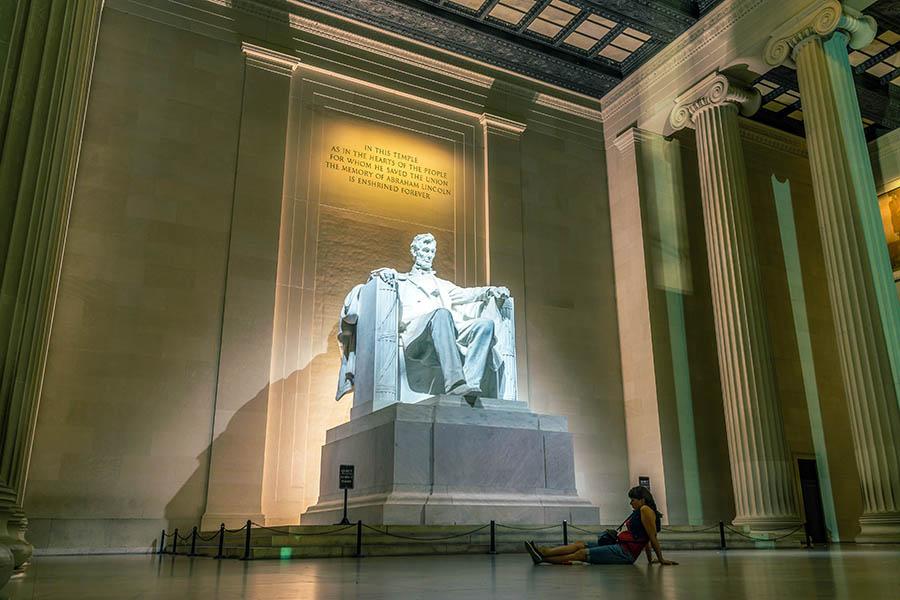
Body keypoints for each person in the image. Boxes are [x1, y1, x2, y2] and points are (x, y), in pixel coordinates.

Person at [336, 232, 512, 400]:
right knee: (442, 314)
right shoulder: (400, 279)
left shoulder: (442, 285)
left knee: (485, 325)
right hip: (416, 334)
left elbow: (467, 294)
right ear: (414, 252)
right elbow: (372, 283)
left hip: (447, 329)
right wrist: (384, 273)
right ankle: (455, 383)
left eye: (432, 252)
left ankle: (471, 383)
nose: (429, 255)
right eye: (425, 251)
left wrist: (489, 291)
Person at [524, 486, 678, 566]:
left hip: (625, 553)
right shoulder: (640, 510)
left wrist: (661, 559)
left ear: (642, 500)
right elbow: (646, 539)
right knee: (579, 544)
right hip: (620, 545)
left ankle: (543, 557)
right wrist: (651, 560)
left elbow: (651, 537)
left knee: (582, 553)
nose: (631, 502)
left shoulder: (645, 510)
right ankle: (544, 551)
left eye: (633, 500)